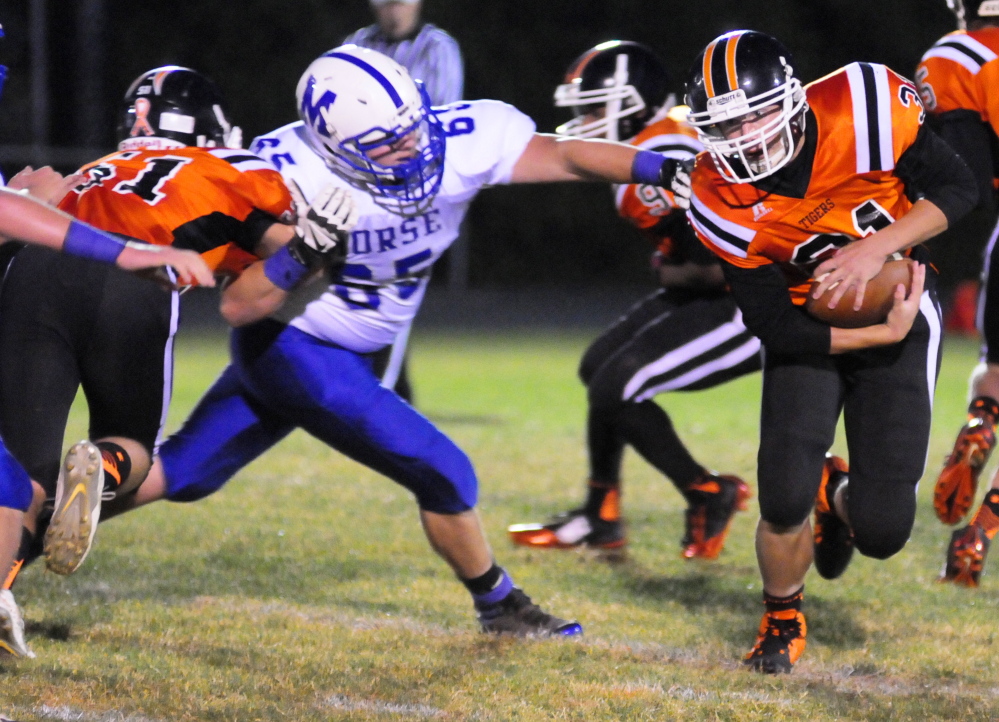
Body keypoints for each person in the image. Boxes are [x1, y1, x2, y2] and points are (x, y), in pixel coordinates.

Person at [99, 45, 683, 638]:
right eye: (387, 144)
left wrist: (662, 167)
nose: (412, 149)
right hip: (294, 347)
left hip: (346, 350)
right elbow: (238, 306)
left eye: (412, 130)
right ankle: (500, 607)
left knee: (184, 472)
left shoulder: (461, 137)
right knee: (447, 472)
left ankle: (23, 533)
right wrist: (302, 251)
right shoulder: (282, 173)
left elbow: (567, 154)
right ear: (334, 147)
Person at [0, 62, 354, 639]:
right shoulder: (226, 166)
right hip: (135, 271)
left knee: (19, 473)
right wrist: (315, 252)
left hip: (37, 269)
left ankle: (0, 588)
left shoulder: (96, 168)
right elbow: (265, 273)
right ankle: (101, 468)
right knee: (134, 444)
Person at [678, 30, 976, 673]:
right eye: (727, 125)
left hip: (900, 309)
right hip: (806, 327)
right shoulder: (715, 195)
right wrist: (871, 334)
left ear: (791, 98)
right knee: (781, 494)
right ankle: (782, 616)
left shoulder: (862, 105)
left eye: (755, 113)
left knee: (883, 530)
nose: (747, 136)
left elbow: (958, 189)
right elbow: (773, 327)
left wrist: (876, 249)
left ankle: (836, 492)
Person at [507, 40, 755, 559]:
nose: (588, 120)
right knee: (599, 366)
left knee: (619, 385)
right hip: (713, 291)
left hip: (754, 301)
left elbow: (714, 266)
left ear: (635, 103)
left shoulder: (656, 160)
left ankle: (707, 491)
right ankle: (601, 514)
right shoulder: (672, 129)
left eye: (597, 107)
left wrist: (670, 268)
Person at [916, 0, 999, 587]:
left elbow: (962, 178)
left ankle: (984, 418)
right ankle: (982, 532)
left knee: (994, 367)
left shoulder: (956, 55)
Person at [343, 0, 464, 401]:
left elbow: (436, 119)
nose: (393, 8)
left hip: (412, 192)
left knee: (393, 294)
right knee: (363, 296)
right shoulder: (357, 43)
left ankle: (385, 394)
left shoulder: (436, 47)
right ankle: (391, 392)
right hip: (359, 188)